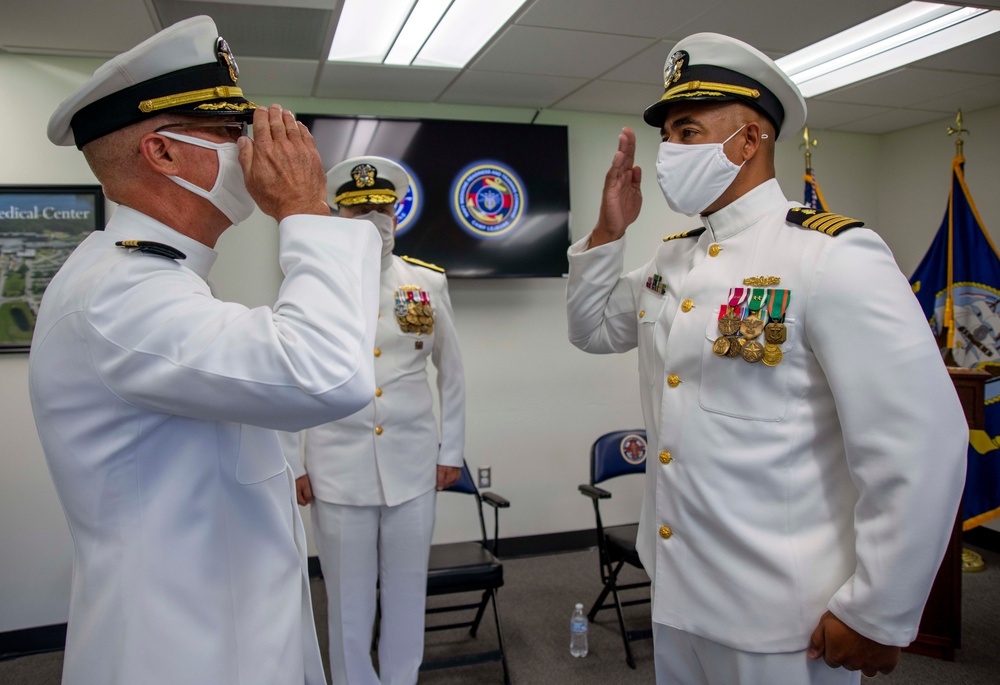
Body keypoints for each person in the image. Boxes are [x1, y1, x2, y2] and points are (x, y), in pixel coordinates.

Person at [566, 32, 968, 685]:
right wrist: (609, 232)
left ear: (750, 141)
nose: (669, 152)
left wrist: (877, 611)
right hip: (676, 591)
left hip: (784, 615)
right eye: (667, 134)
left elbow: (920, 441)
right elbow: (591, 329)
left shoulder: (830, 255)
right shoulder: (673, 258)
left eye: (687, 130)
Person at [30, 16, 382, 685]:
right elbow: (326, 375)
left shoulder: (155, 277)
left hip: (222, 627)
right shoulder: (120, 294)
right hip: (178, 652)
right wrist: (305, 210)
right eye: (226, 132)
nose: (248, 149)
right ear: (161, 153)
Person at [285, 156, 466, 685]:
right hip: (336, 469)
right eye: (358, 208)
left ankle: (402, 679)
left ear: (398, 215)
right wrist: (293, 461)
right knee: (348, 599)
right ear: (337, 216)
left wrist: (449, 451)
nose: (372, 218)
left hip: (413, 465)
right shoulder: (312, 287)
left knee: (408, 590)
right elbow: (290, 378)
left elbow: (451, 373)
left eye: (382, 208)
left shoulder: (426, 284)